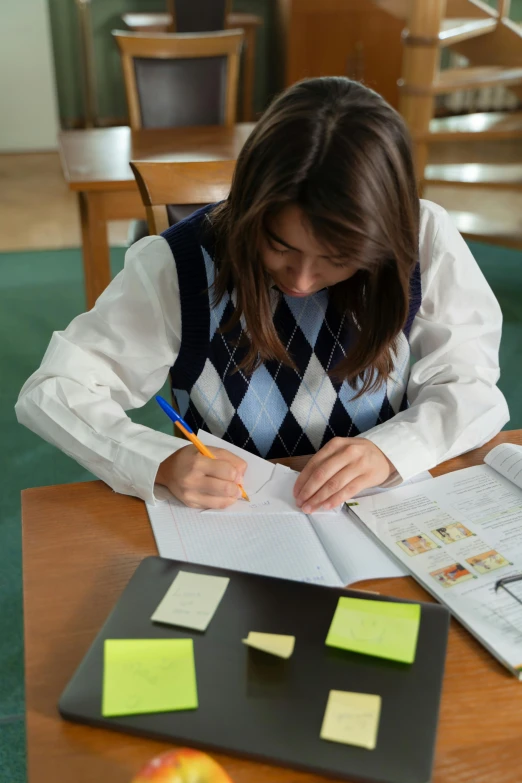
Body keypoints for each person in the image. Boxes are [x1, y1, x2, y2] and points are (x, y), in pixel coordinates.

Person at [16, 77, 509, 514]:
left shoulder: (422, 240)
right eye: (279, 246)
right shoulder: (179, 266)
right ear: (252, 210)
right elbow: (54, 389)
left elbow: (471, 384)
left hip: (379, 507)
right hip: (236, 517)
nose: (300, 281)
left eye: (338, 259)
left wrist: (392, 450)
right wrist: (158, 461)